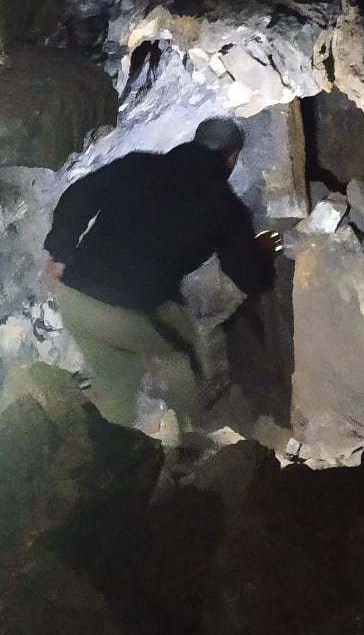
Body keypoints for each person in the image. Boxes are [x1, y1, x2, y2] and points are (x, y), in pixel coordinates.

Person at [42, 117, 278, 439]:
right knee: (184, 359)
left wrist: (60, 253)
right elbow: (250, 277)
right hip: (122, 310)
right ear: (232, 157)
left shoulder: (137, 165)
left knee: (117, 379)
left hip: (75, 297)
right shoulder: (226, 210)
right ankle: (187, 449)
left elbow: (78, 196)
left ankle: (103, 454)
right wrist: (262, 253)